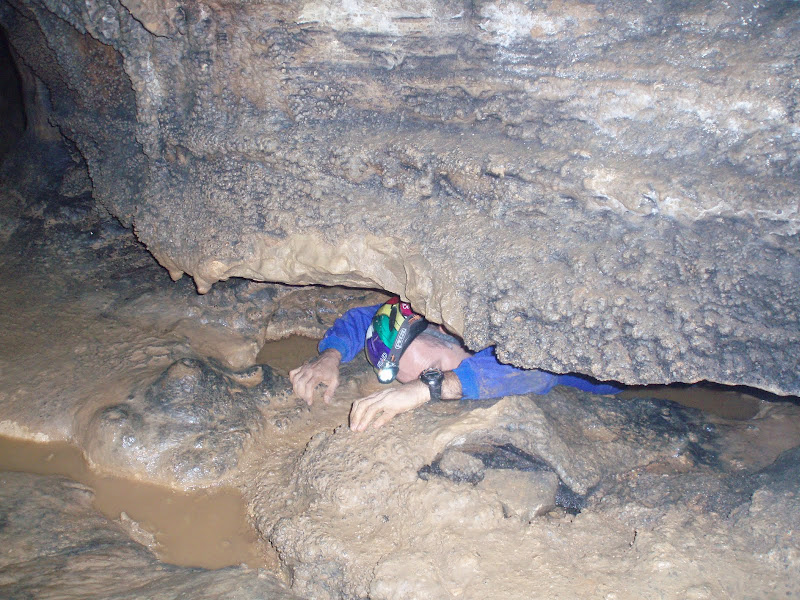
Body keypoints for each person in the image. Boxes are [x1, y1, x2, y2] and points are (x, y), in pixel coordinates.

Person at [289, 297, 620, 432]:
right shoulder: (440, 336)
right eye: (417, 377)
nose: (433, 375)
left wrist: (427, 388)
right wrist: (331, 355)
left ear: (444, 327)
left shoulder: (501, 314)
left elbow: (536, 366)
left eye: (434, 366)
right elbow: (369, 318)